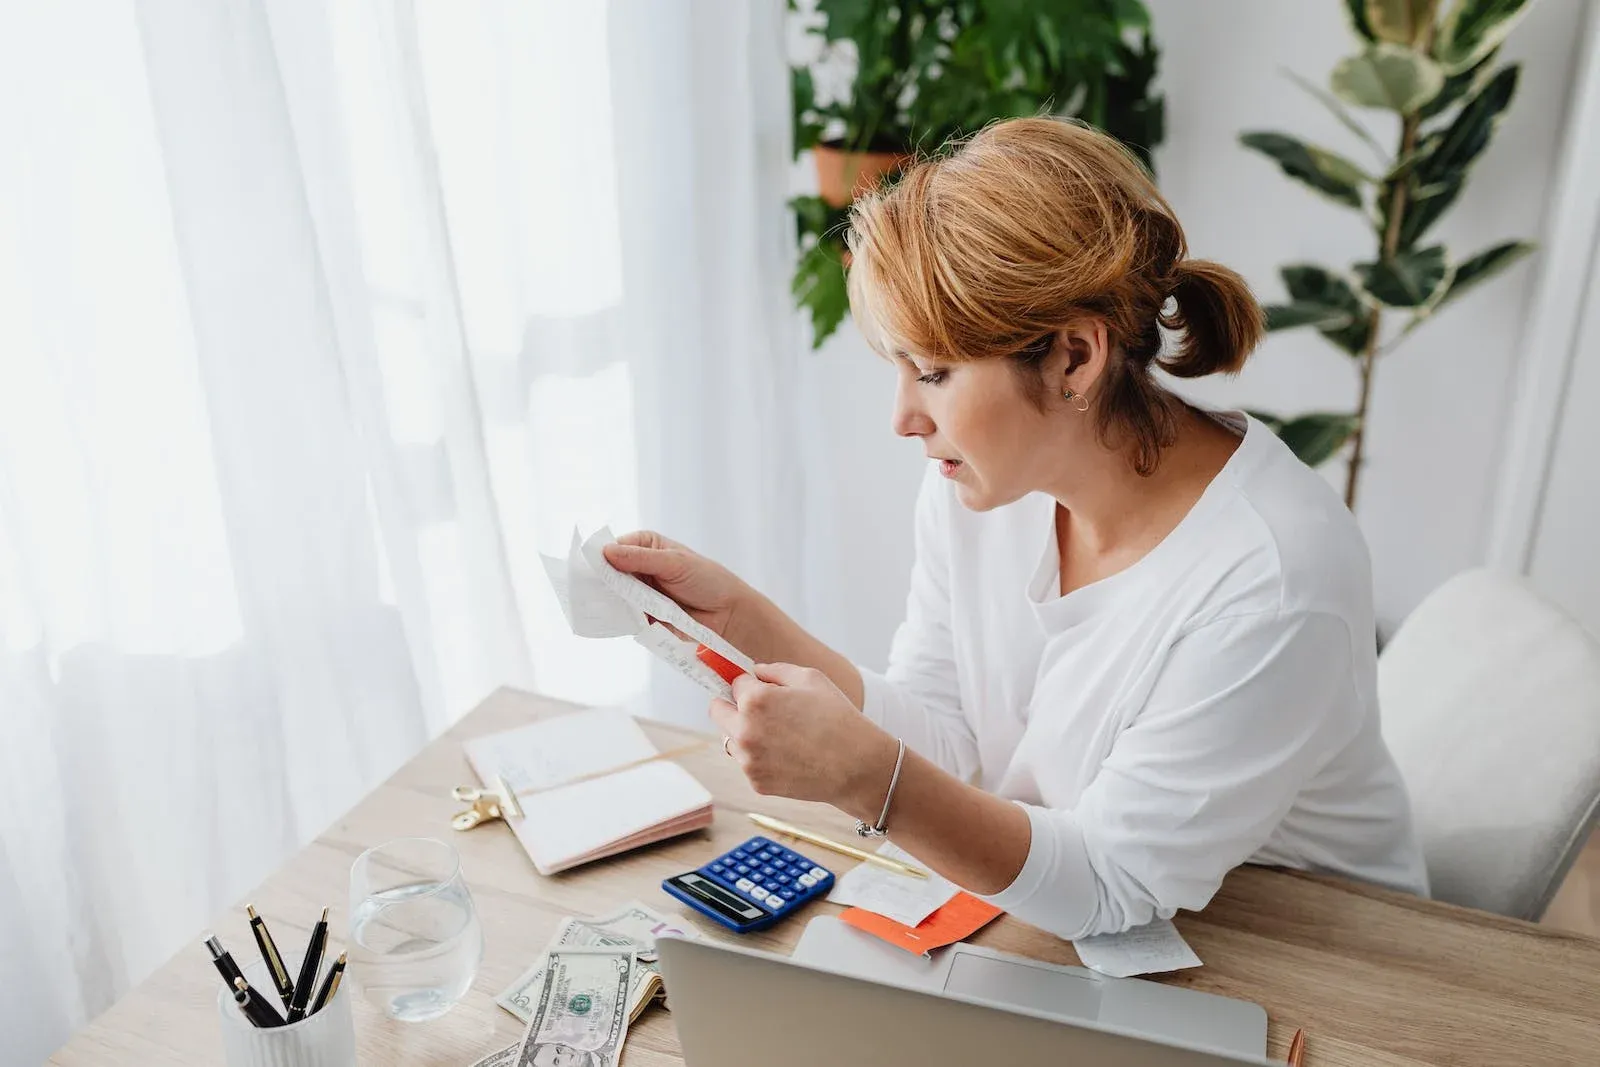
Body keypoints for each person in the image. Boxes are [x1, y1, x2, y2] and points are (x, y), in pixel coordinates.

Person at [604, 117, 1427, 940]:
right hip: (1127, 931)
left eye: (933, 372)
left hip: (1316, 947)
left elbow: (1112, 882)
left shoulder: (1273, 576)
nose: (903, 418)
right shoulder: (983, 485)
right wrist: (743, 623)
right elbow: (949, 741)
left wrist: (868, 782)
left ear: (1073, 357)